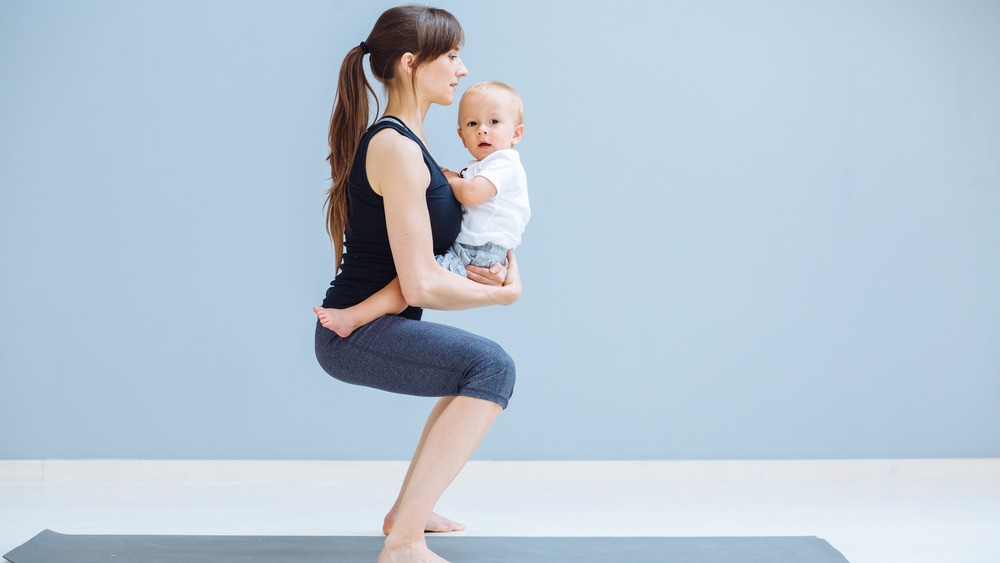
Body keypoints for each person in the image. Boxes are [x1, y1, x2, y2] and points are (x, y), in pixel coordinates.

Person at [312, 6, 520, 563]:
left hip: (375, 324)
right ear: (410, 63)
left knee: (470, 370)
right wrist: (500, 295)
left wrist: (492, 263)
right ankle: (403, 541)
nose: (461, 68)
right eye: (450, 55)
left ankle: (408, 510)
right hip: (354, 332)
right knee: (491, 367)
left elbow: (438, 257)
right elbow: (422, 284)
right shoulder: (397, 148)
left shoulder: (414, 145)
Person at [314, 81, 529, 338]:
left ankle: (352, 317)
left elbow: (472, 194)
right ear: (461, 136)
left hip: (478, 251)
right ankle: (353, 316)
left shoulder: (504, 162)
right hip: (476, 249)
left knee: (410, 285)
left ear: (516, 134)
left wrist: (449, 178)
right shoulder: (481, 166)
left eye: (494, 122)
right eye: (473, 124)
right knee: (413, 282)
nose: (483, 130)